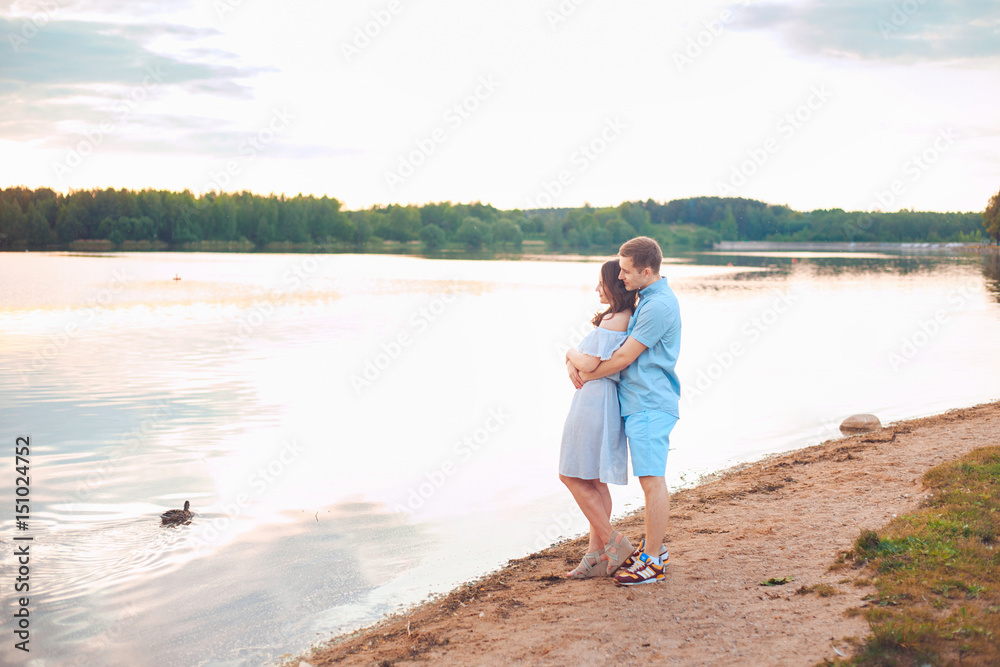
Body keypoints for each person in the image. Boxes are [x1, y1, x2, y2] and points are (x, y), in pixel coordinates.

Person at [567, 236, 681, 586]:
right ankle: (633, 553)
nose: (622, 277)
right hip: (635, 403)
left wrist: (582, 371)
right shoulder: (646, 298)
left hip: (649, 402)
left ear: (647, 271)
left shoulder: (658, 306)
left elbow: (622, 358)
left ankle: (651, 561)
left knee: (651, 480)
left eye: (628, 271)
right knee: (645, 479)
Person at [559, 259, 637, 579]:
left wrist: (567, 352)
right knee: (593, 479)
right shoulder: (615, 317)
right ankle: (596, 556)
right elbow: (585, 363)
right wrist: (570, 364)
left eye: (601, 283)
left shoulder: (620, 318)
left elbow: (589, 362)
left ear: (614, 285)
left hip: (596, 400)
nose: (597, 289)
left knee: (571, 475)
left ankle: (614, 542)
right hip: (597, 398)